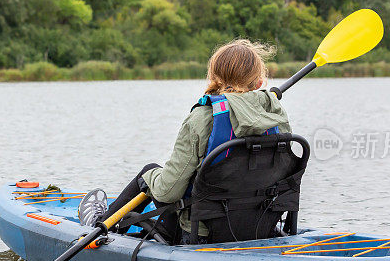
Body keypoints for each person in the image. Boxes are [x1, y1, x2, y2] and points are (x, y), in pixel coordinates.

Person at [78, 39, 292, 244]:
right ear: (259, 82)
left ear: (213, 78)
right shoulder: (276, 116)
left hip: (202, 234)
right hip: (260, 228)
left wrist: (151, 178)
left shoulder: (202, 118)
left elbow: (167, 192)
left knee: (150, 172)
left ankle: (100, 225)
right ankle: (111, 228)